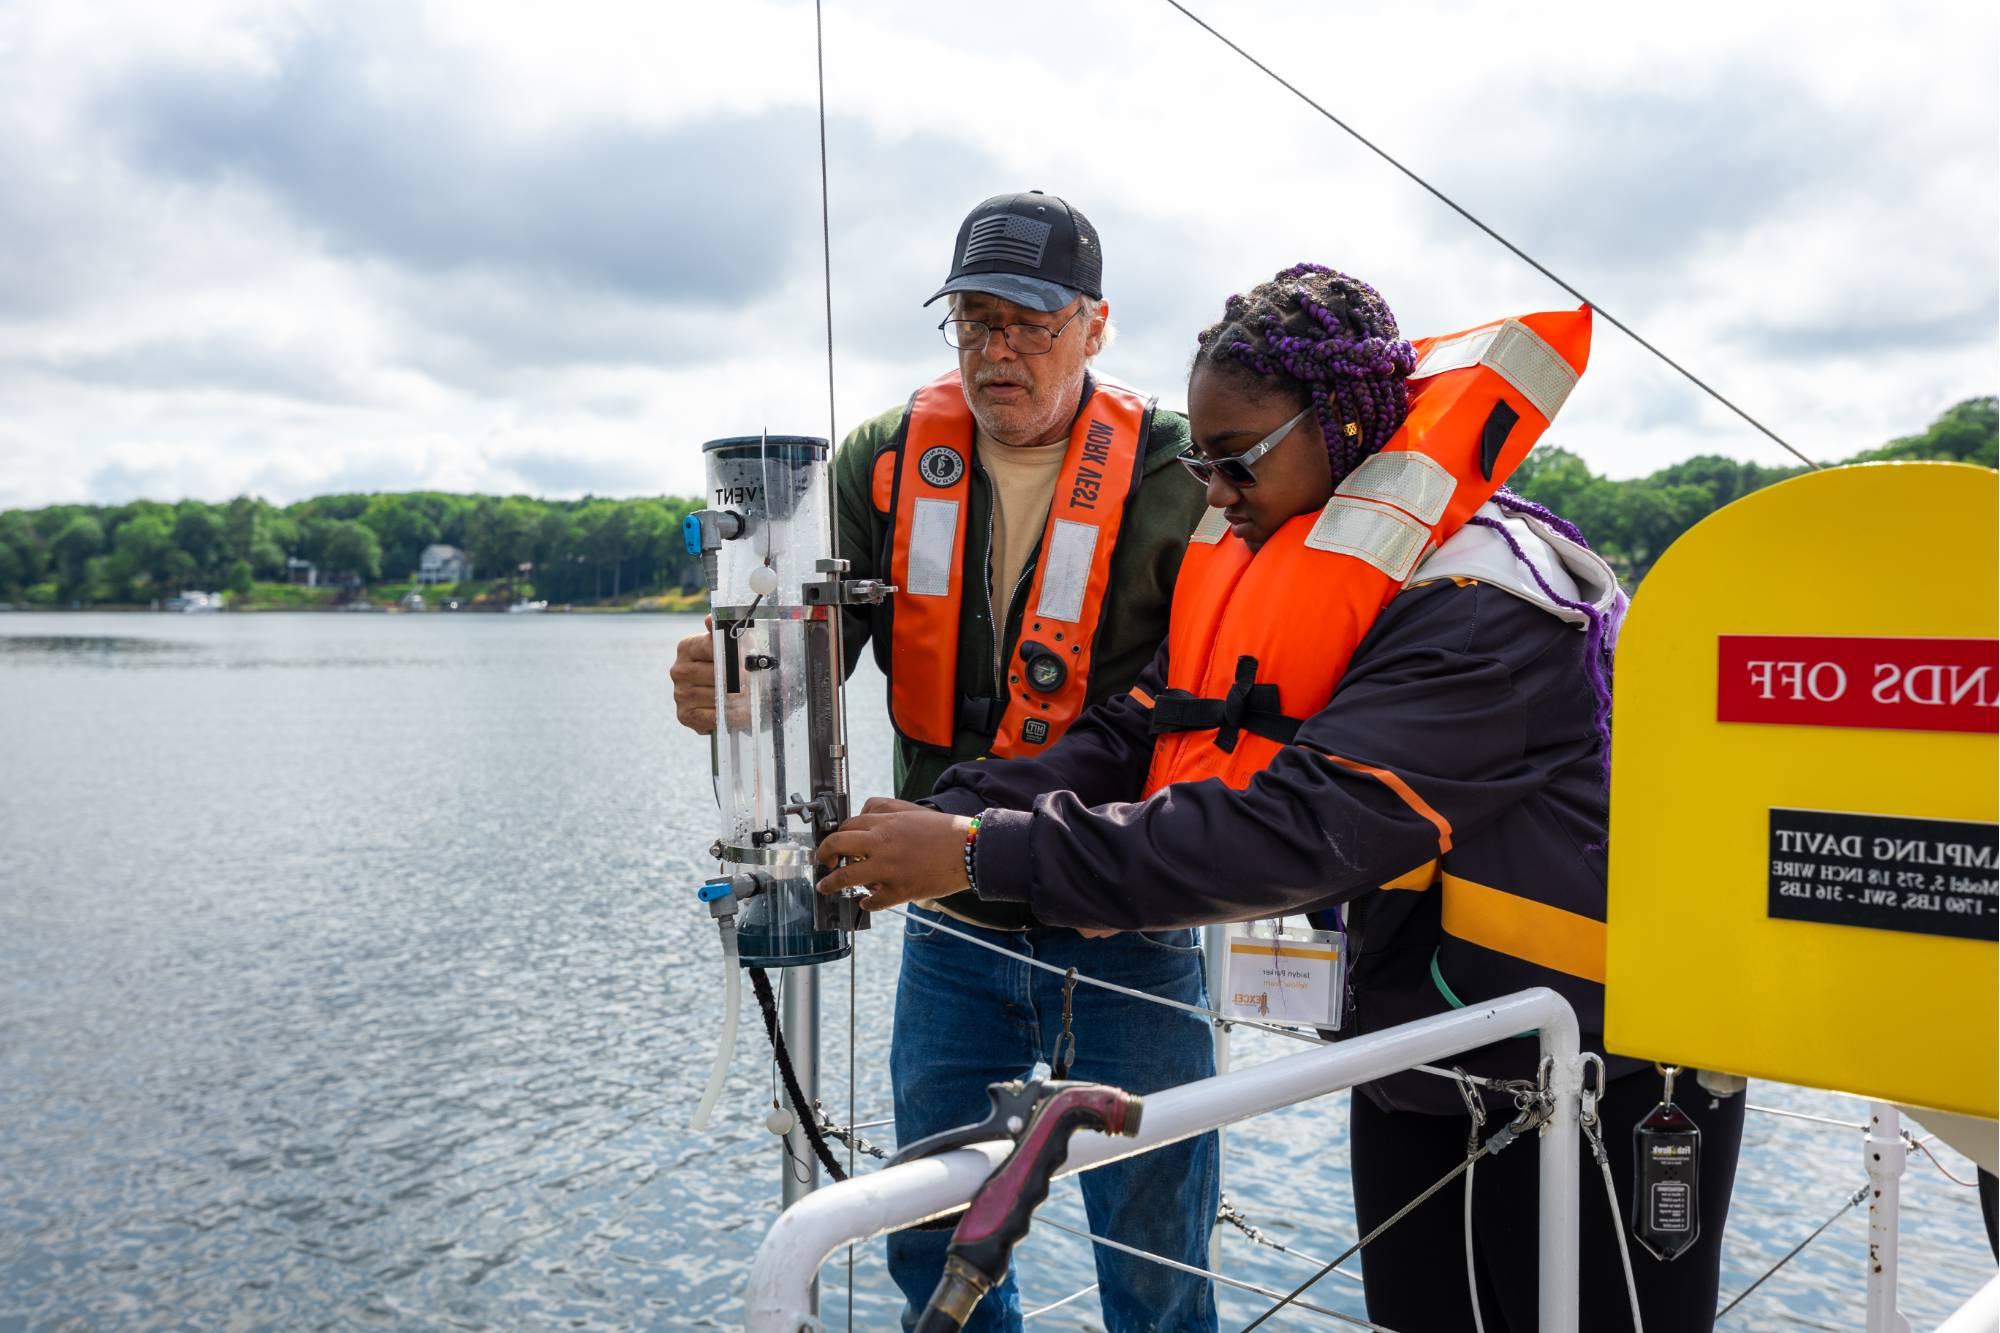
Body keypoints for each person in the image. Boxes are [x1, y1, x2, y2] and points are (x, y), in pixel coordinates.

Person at [816, 263, 1746, 1331]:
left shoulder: (1484, 613)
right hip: (1420, 1059)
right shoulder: (1307, 564)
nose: (1209, 491)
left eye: (1231, 459)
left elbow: (1291, 827)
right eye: (1197, 460)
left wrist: (979, 850)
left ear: (1342, 426)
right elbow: (1150, 723)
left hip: (1586, 1075)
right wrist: (955, 805)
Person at [670, 191, 1218, 1332]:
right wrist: (731, 681)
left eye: (1027, 323)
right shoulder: (883, 460)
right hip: (951, 926)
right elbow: (806, 659)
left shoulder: (1181, 473)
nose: (995, 352)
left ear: (1095, 325)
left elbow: (1200, 704)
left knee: (1156, 1253)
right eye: (972, 323)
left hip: (1122, 917)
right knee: (930, 1234)